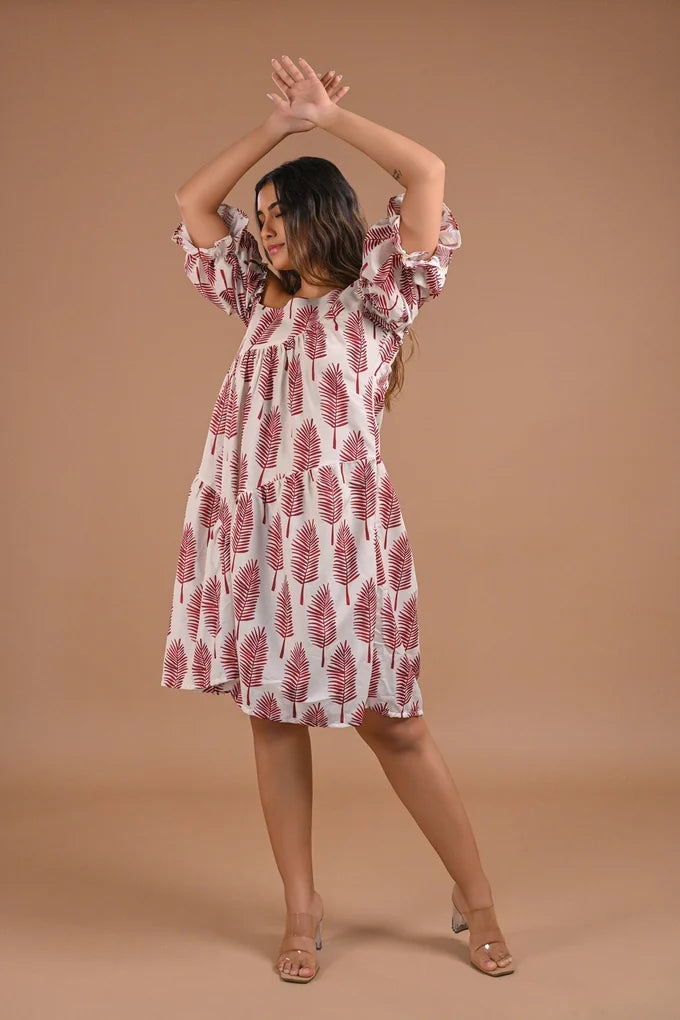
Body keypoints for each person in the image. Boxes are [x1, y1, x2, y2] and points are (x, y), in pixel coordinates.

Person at [162, 55, 514, 983]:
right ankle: (301, 910)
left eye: (281, 215)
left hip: (343, 541)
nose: (267, 232)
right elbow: (193, 201)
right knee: (271, 718)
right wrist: (275, 132)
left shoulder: (381, 295)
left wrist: (325, 120)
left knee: (394, 724)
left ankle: (476, 896)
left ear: (324, 214)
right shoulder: (254, 295)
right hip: (253, 535)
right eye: (262, 219)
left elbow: (425, 172)